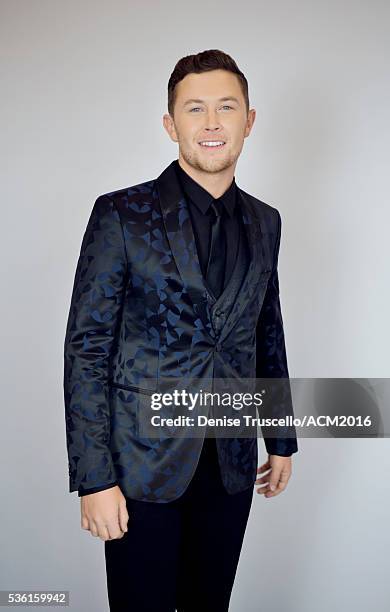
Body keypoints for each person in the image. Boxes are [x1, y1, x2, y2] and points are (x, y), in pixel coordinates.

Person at [63, 48, 298, 612]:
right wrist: (93, 478)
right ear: (171, 124)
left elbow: (267, 329)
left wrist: (281, 437)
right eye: (195, 109)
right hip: (141, 467)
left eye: (226, 107)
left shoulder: (267, 221)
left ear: (249, 119)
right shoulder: (120, 214)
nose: (212, 123)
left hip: (231, 464)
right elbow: (86, 350)